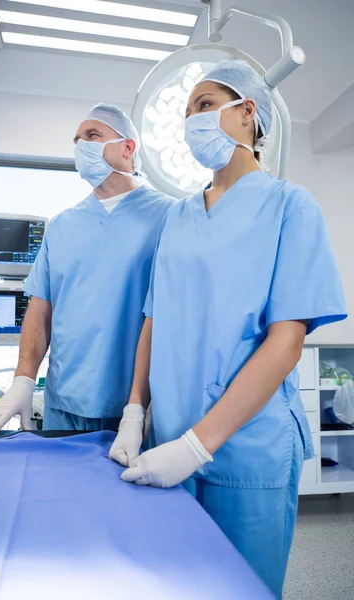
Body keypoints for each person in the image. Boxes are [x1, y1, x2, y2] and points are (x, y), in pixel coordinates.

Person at [109, 61, 347, 598]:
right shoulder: (178, 217)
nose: (192, 119)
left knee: (243, 589)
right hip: (165, 438)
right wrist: (134, 411)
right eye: (187, 111)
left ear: (247, 113)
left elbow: (286, 343)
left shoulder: (291, 206)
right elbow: (155, 317)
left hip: (247, 447)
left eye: (204, 104)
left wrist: (197, 446)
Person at [0, 103, 173, 438]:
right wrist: (23, 378)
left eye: (93, 135)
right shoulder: (63, 225)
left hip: (133, 409)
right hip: (63, 404)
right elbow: (40, 309)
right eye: (77, 139)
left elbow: (174, 313)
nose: (81, 145)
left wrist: (146, 405)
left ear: (128, 148)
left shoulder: (169, 216)